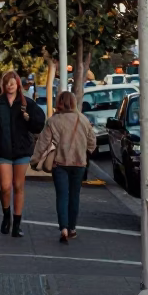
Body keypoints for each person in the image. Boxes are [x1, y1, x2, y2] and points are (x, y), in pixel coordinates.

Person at [0, 69, 45, 237]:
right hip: (3, 149)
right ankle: (6, 215)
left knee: (18, 186)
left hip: (22, 150)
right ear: (3, 85)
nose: (10, 86)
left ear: (18, 85)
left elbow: (39, 125)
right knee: (5, 187)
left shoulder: (27, 103)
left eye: (13, 83)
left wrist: (29, 118)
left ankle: (17, 224)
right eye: (7, 83)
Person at [31, 91, 96, 243]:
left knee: (62, 196)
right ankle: (72, 228)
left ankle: (64, 228)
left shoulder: (53, 121)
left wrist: (35, 161)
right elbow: (92, 143)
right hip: (79, 164)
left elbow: (43, 143)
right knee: (74, 196)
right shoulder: (83, 119)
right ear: (74, 102)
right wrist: (84, 151)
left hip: (59, 164)